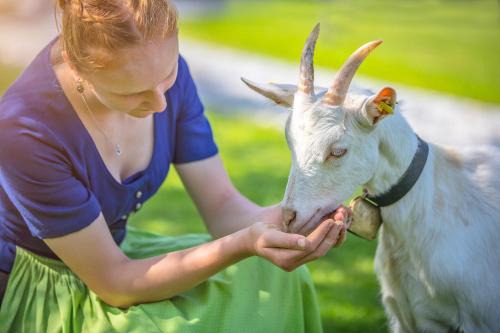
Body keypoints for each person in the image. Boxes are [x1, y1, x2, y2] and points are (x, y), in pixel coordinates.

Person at [0, 1, 351, 332]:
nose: (159, 103)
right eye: (131, 93)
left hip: (113, 254)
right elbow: (115, 284)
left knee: (275, 275)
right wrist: (244, 244)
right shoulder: (24, 131)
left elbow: (223, 209)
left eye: (166, 76)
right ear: (77, 67)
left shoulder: (168, 78)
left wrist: (302, 215)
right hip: (40, 281)